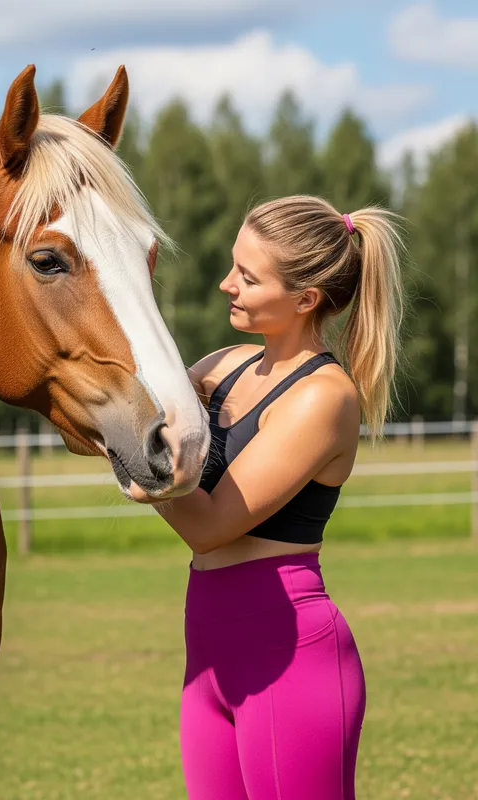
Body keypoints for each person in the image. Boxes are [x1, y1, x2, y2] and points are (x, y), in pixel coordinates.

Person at [155, 195, 405, 800]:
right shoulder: (224, 365)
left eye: (247, 275)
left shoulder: (323, 398)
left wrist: (142, 468)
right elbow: (139, 410)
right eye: (232, 266)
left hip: (290, 662)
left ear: (305, 298)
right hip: (208, 658)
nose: (226, 284)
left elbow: (211, 526)